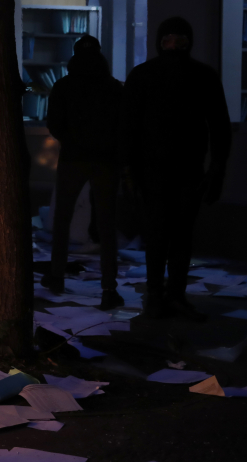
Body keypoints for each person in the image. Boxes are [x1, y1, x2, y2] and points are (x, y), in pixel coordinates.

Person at [124, 17, 232, 320]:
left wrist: (217, 168)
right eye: (169, 39)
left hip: (177, 170)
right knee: (166, 235)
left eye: (179, 39)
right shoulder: (197, 76)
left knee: (175, 235)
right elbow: (129, 127)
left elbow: (219, 126)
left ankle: (166, 296)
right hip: (164, 170)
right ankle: (163, 295)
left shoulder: (147, 75)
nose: (174, 45)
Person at [42, 35, 125, 310]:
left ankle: (56, 276)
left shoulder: (64, 86)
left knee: (62, 219)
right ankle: (108, 288)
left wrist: (72, 138)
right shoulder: (113, 87)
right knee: (106, 224)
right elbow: (123, 125)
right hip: (105, 161)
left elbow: (54, 123)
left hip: (74, 158)